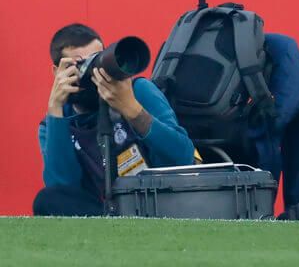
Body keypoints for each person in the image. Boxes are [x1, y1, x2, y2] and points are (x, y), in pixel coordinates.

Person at [35, 24, 195, 216]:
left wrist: (132, 109)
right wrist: (55, 108)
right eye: (79, 64)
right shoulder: (55, 122)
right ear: (58, 72)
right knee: (47, 200)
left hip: (156, 204)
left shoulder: (137, 91)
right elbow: (63, 189)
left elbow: (183, 156)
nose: (90, 73)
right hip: (99, 216)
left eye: (94, 61)